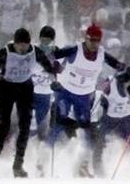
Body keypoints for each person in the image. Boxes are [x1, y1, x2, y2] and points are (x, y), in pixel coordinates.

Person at [48, 24, 128, 176]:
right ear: (86, 38)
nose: (94, 44)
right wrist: (53, 64)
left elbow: (115, 63)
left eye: (97, 40)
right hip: (66, 92)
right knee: (61, 123)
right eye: (91, 40)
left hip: (83, 97)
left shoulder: (102, 54)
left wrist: (119, 65)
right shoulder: (75, 50)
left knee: (86, 130)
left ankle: (82, 164)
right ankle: (46, 160)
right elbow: (53, 56)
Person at [0, 26, 57, 177]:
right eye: (20, 45)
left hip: (25, 87)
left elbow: (48, 68)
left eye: (25, 45)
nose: (23, 49)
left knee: (25, 128)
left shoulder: (35, 51)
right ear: (14, 43)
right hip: (7, 87)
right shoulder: (5, 52)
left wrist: (54, 80)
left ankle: (18, 166)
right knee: (4, 127)